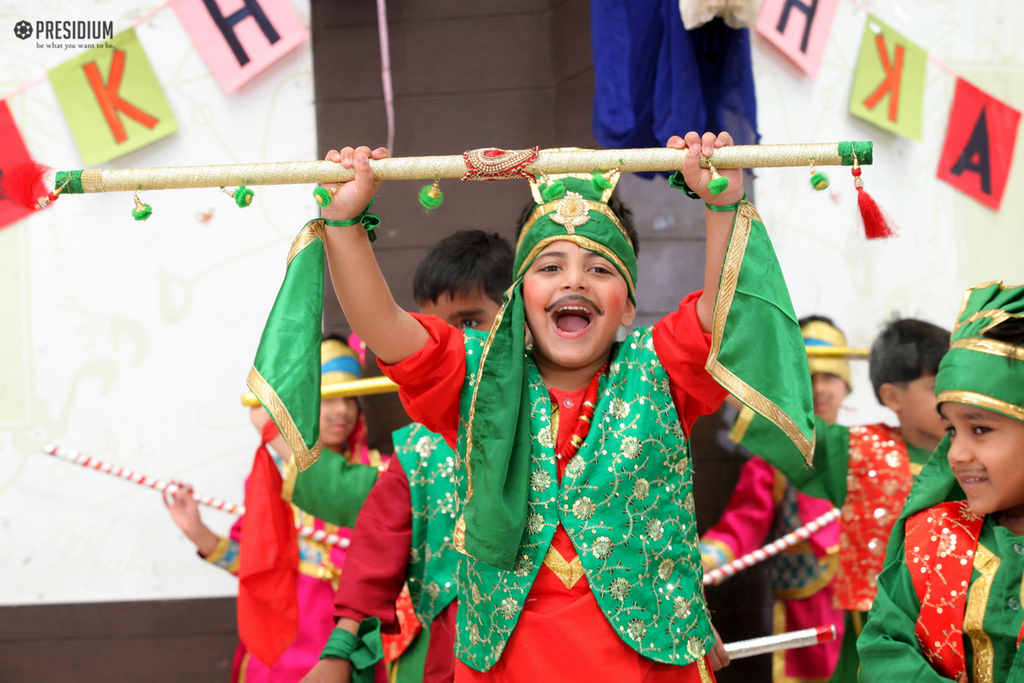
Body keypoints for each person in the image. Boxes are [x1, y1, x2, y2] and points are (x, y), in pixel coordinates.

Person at [306, 131, 816, 682]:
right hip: (508, 662)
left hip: (650, 665)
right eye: (549, 267)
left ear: (627, 309)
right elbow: (384, 327)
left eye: (600, 269)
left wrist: (720, 204)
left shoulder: (660, 368)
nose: (574, 278)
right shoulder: (475, 378)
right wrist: (344, 224)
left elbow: (725, 317)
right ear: (519, 302)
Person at [299, 230, 512, 683]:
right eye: (430, 327)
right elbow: (379, 542)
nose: (448, 343)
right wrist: (340, 648)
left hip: (546, 640)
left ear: (516, 318)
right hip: (448, 654)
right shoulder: (417, 448)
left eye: (470, 322)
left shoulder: (560, 417)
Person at [729, 317, 950, 682]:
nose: (951, 397)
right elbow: (780, 430)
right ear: (893, 396)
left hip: (958, 616)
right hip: (880, 630)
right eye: (936, 387)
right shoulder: (858, 451)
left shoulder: (976, 455)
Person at [165, 338, 385, 683]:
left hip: (360, 647)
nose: (341, 410)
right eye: (327, 398)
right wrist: (198, 533)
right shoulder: (274, 478)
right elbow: (255, 566)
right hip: (284, 650)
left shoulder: (383, 475)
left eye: (349, 398)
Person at [857, 281, 1024, 682]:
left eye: (980, 430)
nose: (957, 454)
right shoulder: (931, 538)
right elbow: (884, 650)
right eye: (951, 430)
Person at [701, 316, 850, 682]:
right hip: (806, 612)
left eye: (830, 377)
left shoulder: (871, 447)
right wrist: (703, 560)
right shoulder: (775, 459)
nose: (821, 389)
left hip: (872, 607)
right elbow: (742, 524)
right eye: (809, 377)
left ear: (847, 384)